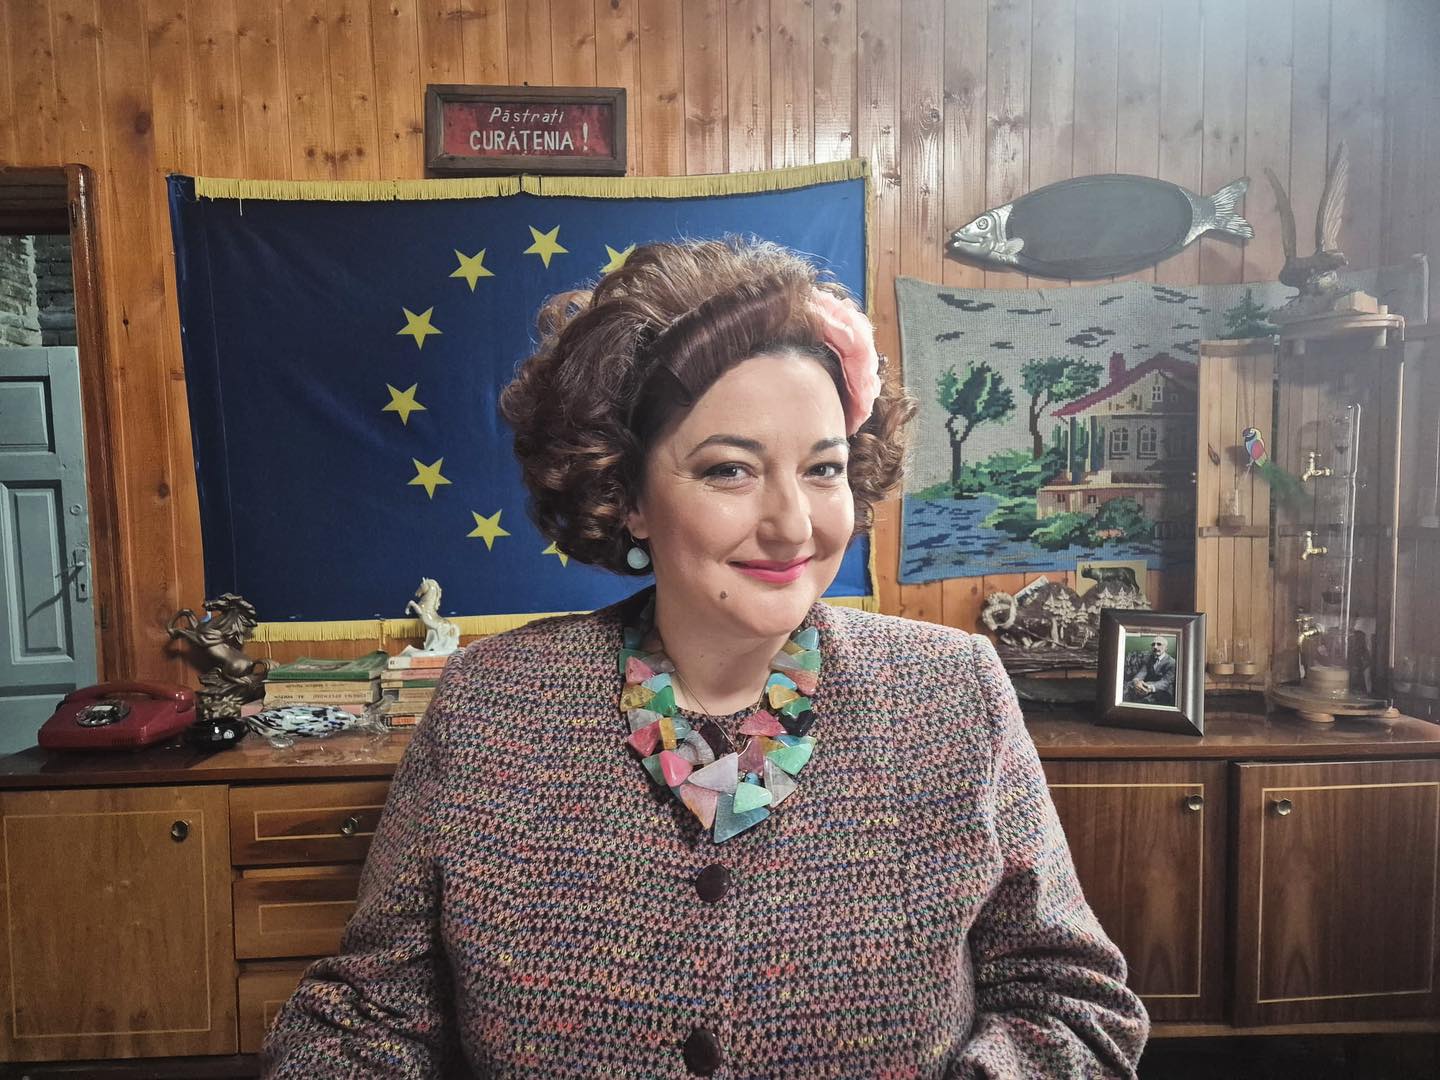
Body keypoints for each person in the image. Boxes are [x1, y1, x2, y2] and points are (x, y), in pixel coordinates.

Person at [263, 237, 1149, 1077]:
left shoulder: (952, 692)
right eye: (730, 469)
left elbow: (1070, 1001)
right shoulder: (491, 705)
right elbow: (369, 1015)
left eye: (824, 469)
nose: (793, 525)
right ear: (627, 494)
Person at [1124, 636, 1177, 706]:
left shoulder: (1172, 662)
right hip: (1145, 687)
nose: (1155, 647)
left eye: (1159, 644)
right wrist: (1136, 682)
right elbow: (1142, 672)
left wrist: (1149, 687)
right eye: (1153, 644)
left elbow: (1165, 682)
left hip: (1163, 691)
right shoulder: (1149, 658)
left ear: (1166, 648)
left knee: (1142, 703)